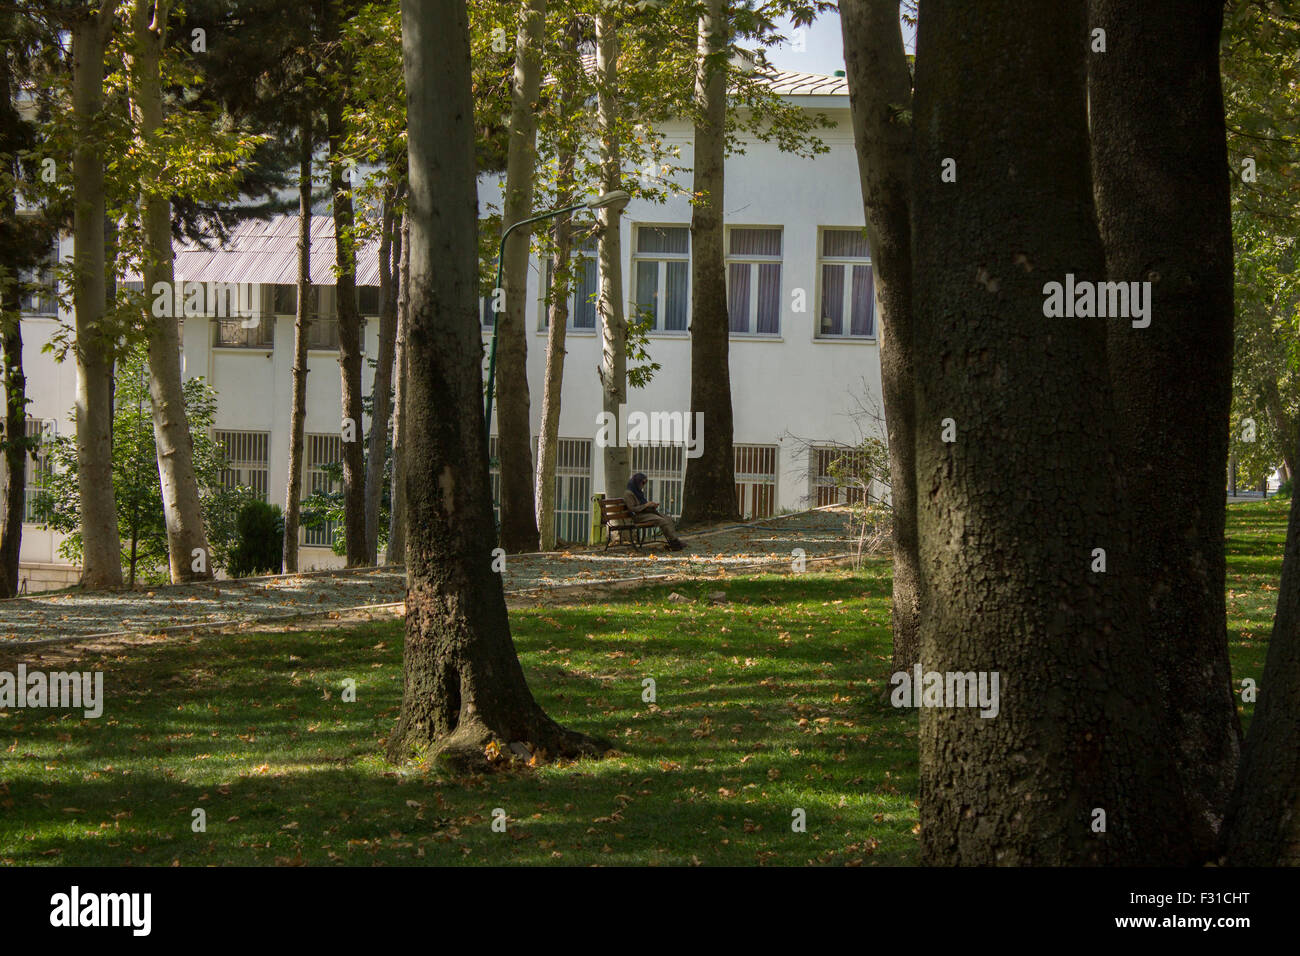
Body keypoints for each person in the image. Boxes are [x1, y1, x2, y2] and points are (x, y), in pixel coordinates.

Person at [623, 472, 685, 550]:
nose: (643, 485)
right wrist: (646, 505)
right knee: (661, 520)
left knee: (668, 519)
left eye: (644, 483)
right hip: (638, 516)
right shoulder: (629, 493)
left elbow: (643, 504)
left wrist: (652, 505)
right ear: (637, 482)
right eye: (642, 483)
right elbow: (632, 509)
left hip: (646, 513)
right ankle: (674, 543)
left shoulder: (638, 492)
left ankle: (674, 540)